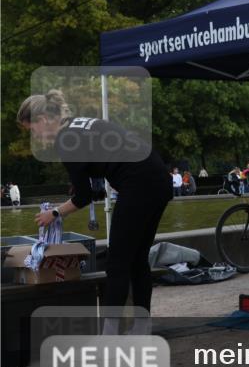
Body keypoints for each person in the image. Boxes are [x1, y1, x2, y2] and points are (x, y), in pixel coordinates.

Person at [18, 90, 171, 335]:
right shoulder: (80, 124)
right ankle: (142, 326)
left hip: (138, 183)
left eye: (32, 129)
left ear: (43, 119)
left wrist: (55, 213)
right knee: (137, 258)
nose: (35, 136)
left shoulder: (65, 140)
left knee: (117, 262)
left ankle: (109, 335)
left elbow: (84, 197)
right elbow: (101, 177)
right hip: (159, 177)